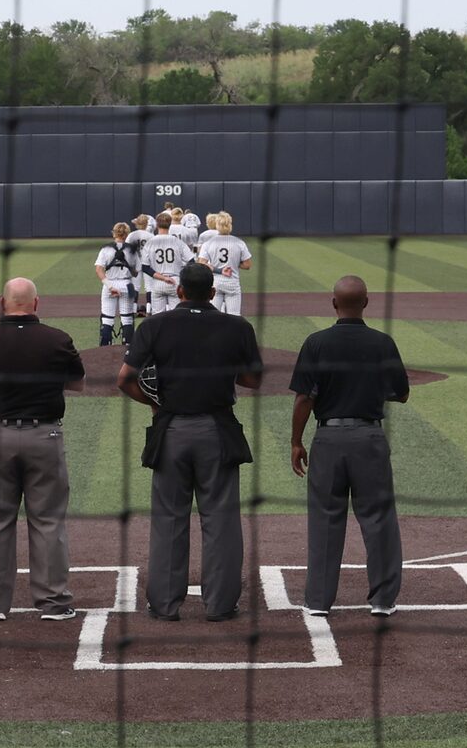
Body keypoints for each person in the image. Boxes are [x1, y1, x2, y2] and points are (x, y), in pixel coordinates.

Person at [123, 261, 264, 614]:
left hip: (170, 432)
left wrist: (156, 404)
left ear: (179, 291)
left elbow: (125, 379)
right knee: (221, 520)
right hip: (217, 431)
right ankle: (219, 605)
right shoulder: (237, 327)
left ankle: (166, 604)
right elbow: (253, 381)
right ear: (213, 293)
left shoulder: (154, 325)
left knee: (169, 518)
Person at [0, 275, 86, 620]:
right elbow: (78, 383)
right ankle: (54, 603)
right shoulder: (57, 339)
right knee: (48, 521)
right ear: (36, 304)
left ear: (2, 303)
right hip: (45, 438)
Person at [289, 273, 412, 613]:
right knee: (379, 518)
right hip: (369, 439)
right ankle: (384, 601)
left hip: (327, 439)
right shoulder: (382, 343)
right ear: (366, 303)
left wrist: (296, 442)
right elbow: (401, 393)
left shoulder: (316, 342)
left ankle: (318, 601)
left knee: (326, 518)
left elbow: (303, 399)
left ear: (333, 304)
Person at [96, 221, 139, 347]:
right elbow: (136, 273)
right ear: (127, 234)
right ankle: (128, 348)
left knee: (107, 319)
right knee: (127, 319)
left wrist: (110, 286)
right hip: (127, 285)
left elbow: (99, 270)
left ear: (114, 233)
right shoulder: (132, 250)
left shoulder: (106, 249)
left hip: (109, 285)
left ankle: (104, 348)